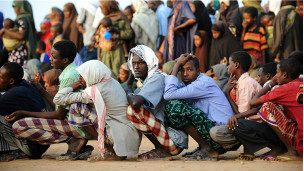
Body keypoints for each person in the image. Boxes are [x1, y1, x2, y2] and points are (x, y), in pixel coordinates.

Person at [6, 40, 93, 161]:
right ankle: (74, 139)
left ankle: (74, 140)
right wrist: (40, 88)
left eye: (54, 56)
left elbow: (58, 114)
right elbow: (59, 104)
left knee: (19, 126)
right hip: (77, 123)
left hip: (76, 126)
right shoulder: (71, 71)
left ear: (65, 60)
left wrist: (24, 113)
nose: (50, 59)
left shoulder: (69, 77)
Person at [53, 60, 141, 160]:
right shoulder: (113, 82)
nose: (80, 79)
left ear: (91, 75)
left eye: (82, 76)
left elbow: (57, 99)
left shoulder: (95, 91)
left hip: (119, 135)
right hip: (129, 134)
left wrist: (75, 85)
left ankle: (109, 149)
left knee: (76, 107)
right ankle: (115, 150)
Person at [163, 54, 234, 160]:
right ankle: (203, 147)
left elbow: (169, 94)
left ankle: (208, 149)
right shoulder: (189, 84)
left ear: (198, 71)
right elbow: (167, 90)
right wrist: (176, 66)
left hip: (222, 136)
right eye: (182, 70)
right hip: (213, 132)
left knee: (175, 107)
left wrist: (178, 64)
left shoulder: (203, 83)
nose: (185, 74)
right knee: (171, 105)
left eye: (189, 70)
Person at [233, 58, 303, 161]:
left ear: (284, 75)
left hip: (301, 140)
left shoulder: (284, 89)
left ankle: (291, 151)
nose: (276, 76)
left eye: (277, 73)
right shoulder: (301, 82)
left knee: (267, 106)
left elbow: (253, 102)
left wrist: (272, 82)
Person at [125, 45, 183, 160]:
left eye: (140, 63)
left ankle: (161, 150)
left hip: (173, 142)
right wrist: (131, 78)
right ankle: (160, 149)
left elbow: (135, 103)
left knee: (132, 109)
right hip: (167, 139)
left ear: (149, 63)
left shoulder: (156, 78)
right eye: (133, 63)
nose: (136, 67)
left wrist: (128, 88)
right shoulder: (145, 82)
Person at [209, 51, 262, 154]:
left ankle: (245, 146)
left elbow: (241, 117)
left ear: (237, 65)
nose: (227, 67)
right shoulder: (241, 82)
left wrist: (228, 94)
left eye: (230, 64)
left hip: (254, 127)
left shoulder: (246, 84)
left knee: (215, 132)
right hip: (247, 124)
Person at [0, 62, 48, 162]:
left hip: (33, 147)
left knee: (1, 117)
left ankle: (17, 150)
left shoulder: (15, 93)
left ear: (11, 81)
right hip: (41, 144)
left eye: (0, 77)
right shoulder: (26, 85)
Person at [96, 0, 134, 75]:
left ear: (109, 8)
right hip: (105, 53)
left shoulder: (121, 19)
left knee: (118, 74)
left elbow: (129, 34)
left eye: (102, 9)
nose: (101, 11)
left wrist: (116, 31)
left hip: (117, 53)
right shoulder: (104, 20)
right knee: (106, 75)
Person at [0, 0, 37, 67]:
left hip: (19, 53)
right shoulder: (27, 18)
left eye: (15, 8)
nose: (15, 10)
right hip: (19, 52)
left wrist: (5, 30)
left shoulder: (22, 19)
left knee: (16, 73)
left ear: (21, 7)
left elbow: (21, 36)